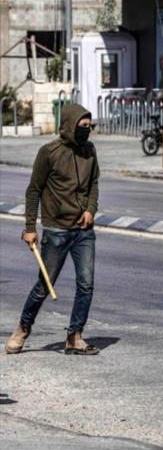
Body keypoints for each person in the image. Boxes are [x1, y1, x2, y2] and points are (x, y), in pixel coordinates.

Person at [5, 104, 101, 356]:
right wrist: (29, 227)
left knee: (86, 284)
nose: (87, 131)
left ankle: (75, 336)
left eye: (89, 127)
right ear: (69, 125)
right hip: (56, 229)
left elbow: (93, 184)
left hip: (83, 231)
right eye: (82, 127)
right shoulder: (49, 152)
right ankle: (23, 329)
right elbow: (34, 190)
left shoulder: (89, 151)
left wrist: (91, 209)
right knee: (43, 286)